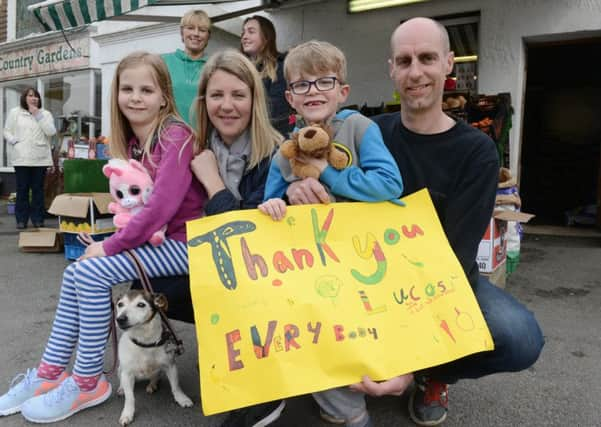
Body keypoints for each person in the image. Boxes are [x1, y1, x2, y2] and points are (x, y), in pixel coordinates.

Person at [285, 18, 544, 427]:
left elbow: (456, 261)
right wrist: (294, 192)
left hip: (439, 278)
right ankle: (342, 370)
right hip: (356, 274)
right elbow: (305, 167)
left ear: (448, 64)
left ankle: (433, 375)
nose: (415, 71)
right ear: (391, 68)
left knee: (520, 337)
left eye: (427, 58)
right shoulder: (367, 131)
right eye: (404, 60)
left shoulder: (476, 152)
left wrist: (412, 358)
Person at [0, 51, 206, 423]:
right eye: (127, 88)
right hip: (157, 242)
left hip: (189, 244)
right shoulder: (132, 144)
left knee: (93, 270)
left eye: (147, 89)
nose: (136, 96)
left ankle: (87, 380)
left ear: (164, 96)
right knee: (75, 270)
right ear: (116, 95)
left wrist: (109, 245)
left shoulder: (176, 135)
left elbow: (161, 207)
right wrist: (107, 246)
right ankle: (49, 373)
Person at [259, 40, 404, 221]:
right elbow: (271, 201)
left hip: (360, 239)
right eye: (302, 85)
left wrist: (328, 171)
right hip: (310, 246)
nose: (312, 91)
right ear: (290, 98)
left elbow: (390, 184)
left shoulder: (359, 128)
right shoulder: (285, 151)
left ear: (343, 92)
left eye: (325, 82)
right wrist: (277, 202)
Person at [3, 87, 56, 229]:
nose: (33, 98)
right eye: (30, 96)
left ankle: (38, 219)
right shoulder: (15, 113)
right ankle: (21, 220)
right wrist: (15, 141)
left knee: (38, 189)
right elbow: (6, 130)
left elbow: (51, 132)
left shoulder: (45, 114)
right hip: (22, 158)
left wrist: (37, 115)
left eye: (36, 96)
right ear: (24, 98)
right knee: (22, 189)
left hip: (40, 159)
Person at [241, 15, 292, 137]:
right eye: (243, 33)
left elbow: (276, 110)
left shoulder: (280, 66)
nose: (244, 37)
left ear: (266, 37)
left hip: (271, 138)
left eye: (251, 32)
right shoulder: (239, 69)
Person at [162, 9, 211, 124]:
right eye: (190, 28)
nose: (196, 33)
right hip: (169, 136)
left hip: (203, 137)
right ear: (181, 32)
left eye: (202, 30)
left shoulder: (215, 66)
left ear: (208, 36)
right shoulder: (163, 62)